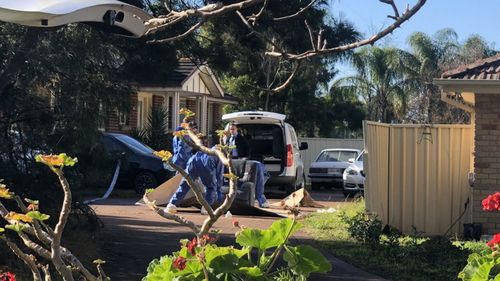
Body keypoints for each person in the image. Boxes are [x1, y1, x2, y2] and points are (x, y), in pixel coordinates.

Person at [165, 136, 224, 214]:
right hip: (207, 165)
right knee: (211, 188)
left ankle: (171, 204)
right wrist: (219, 190)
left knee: (185, 184)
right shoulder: (220, 155)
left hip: (193, 161)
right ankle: (206, 208)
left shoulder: (205, 150)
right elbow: (219, 174)